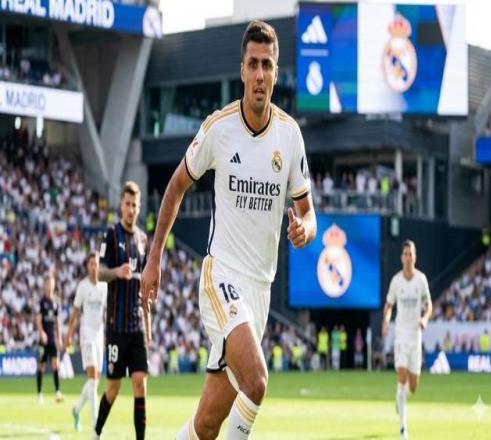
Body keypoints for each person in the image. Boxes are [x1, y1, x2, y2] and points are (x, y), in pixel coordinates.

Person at [141, 20, 317, 440]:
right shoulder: (219, 128)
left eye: (267, 65)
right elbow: (176, 185)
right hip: (221, 276)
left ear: (276, 73)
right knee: (256, 380)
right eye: (252, 64)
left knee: (206, 425)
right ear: (241, 70)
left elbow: (308, 213)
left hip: (259, 291)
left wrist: (305, 231)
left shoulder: (290, 136)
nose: (259, 74)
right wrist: (154, 259)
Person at [93, 181, 150, 440]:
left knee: (140, 384)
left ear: (139, 207)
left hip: (136, 327)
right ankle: (96, 432)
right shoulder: (111, 234)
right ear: (121, 206)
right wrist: (118, 271)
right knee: (113, 388)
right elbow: (99, 272)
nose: (130, 209)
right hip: (116, 327)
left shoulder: (143, 240)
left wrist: (148, 327)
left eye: (134, 205)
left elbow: (145, 287)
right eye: (127, 204)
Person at [383, 240, 433, 439]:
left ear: (415, 257)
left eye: (411, 254)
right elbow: (389, 305)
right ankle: (403, 428)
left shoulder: (421, 280)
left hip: (415, 336)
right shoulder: (396, 281)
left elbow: (429, 305)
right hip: (401, 335)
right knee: (401, 375)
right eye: (405, 254)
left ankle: (400, 398)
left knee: (412, 386)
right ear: (401, 257)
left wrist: (425, 318)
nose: (408, 257)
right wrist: (386, 322)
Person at [64, 250, 107, 432]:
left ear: (99, 265)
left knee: (94, 382)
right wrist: (68, 334)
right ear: (87, 266)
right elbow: (75, 311)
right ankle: (96, 426)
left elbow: (107, 313)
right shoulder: (82, 286)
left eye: (95, 263)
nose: (93, 266)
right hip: (86, 334)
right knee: (92, 380)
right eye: (90, 264)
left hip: (99, 335)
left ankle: (76, 409)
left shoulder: (104, 287)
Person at [35, 272, 63, 404]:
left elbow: (57, 321)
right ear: (45, 285)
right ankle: (39, 393)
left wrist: (59, 337)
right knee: (41, 366)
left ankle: (57, 392)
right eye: (48, 284)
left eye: (52, 284)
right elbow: (38, 319)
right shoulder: (42, 302)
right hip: (43, 340)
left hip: (53, 339)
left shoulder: (56, 302)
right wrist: (41, 332)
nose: (50, 286)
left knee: (55, 364)